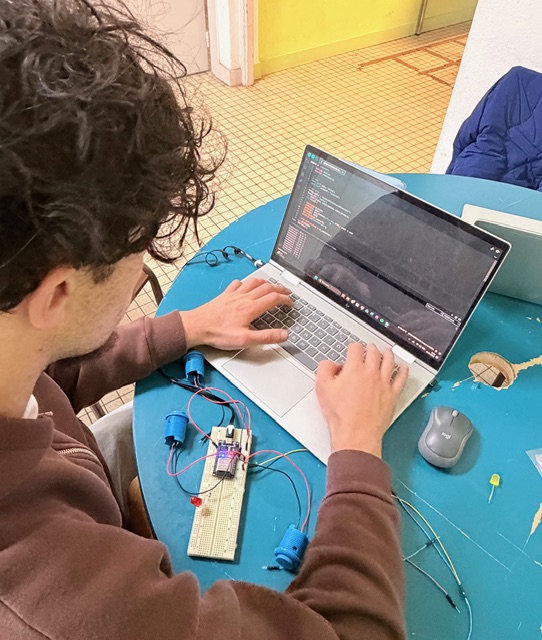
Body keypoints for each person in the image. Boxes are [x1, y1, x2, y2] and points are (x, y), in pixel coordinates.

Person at [0, 1, 408, 639]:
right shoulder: (60, 600)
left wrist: (187, 327)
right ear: (57, 292)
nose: (141, 270)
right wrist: (357, 451)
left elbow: (48, 373)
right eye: (140, 251)